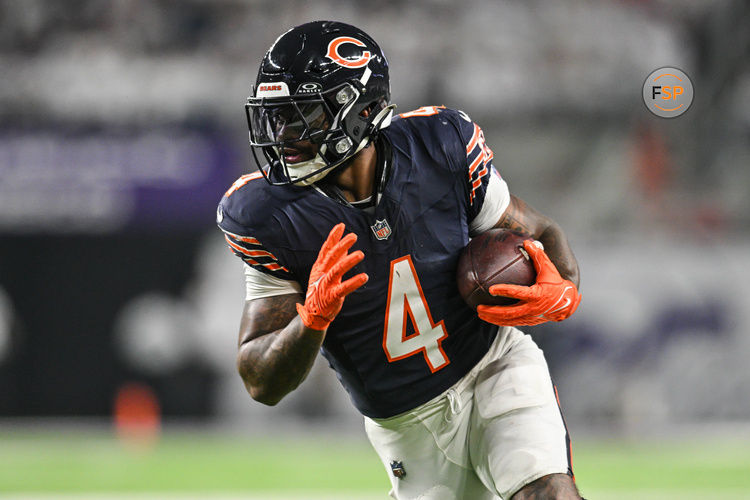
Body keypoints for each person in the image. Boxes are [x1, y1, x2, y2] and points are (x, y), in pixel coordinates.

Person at [217, 20, 583, 500]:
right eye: (276, 116)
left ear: (363, 110)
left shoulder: (440, 149)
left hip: (495, 367)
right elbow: (259, 380)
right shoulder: (268, 215)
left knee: (551, 494)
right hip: (407, 424)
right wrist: (311, 319)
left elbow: (540, 231)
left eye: (303, 113)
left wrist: (565, 287)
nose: (284, 135)